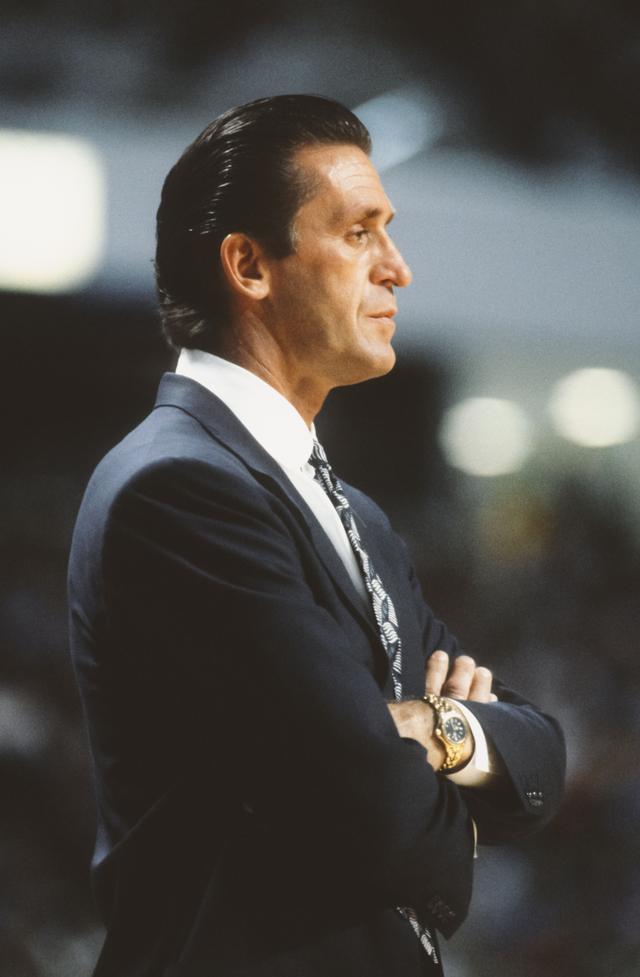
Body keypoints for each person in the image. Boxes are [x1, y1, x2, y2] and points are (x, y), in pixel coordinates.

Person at [68, 95, 566, 977]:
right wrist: (437, 788)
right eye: (359, 233)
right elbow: (375, 816)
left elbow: (541, 752)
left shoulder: (356, 513)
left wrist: (438, 727)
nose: (398, 269)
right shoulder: (175, 489)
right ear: (249, 265)